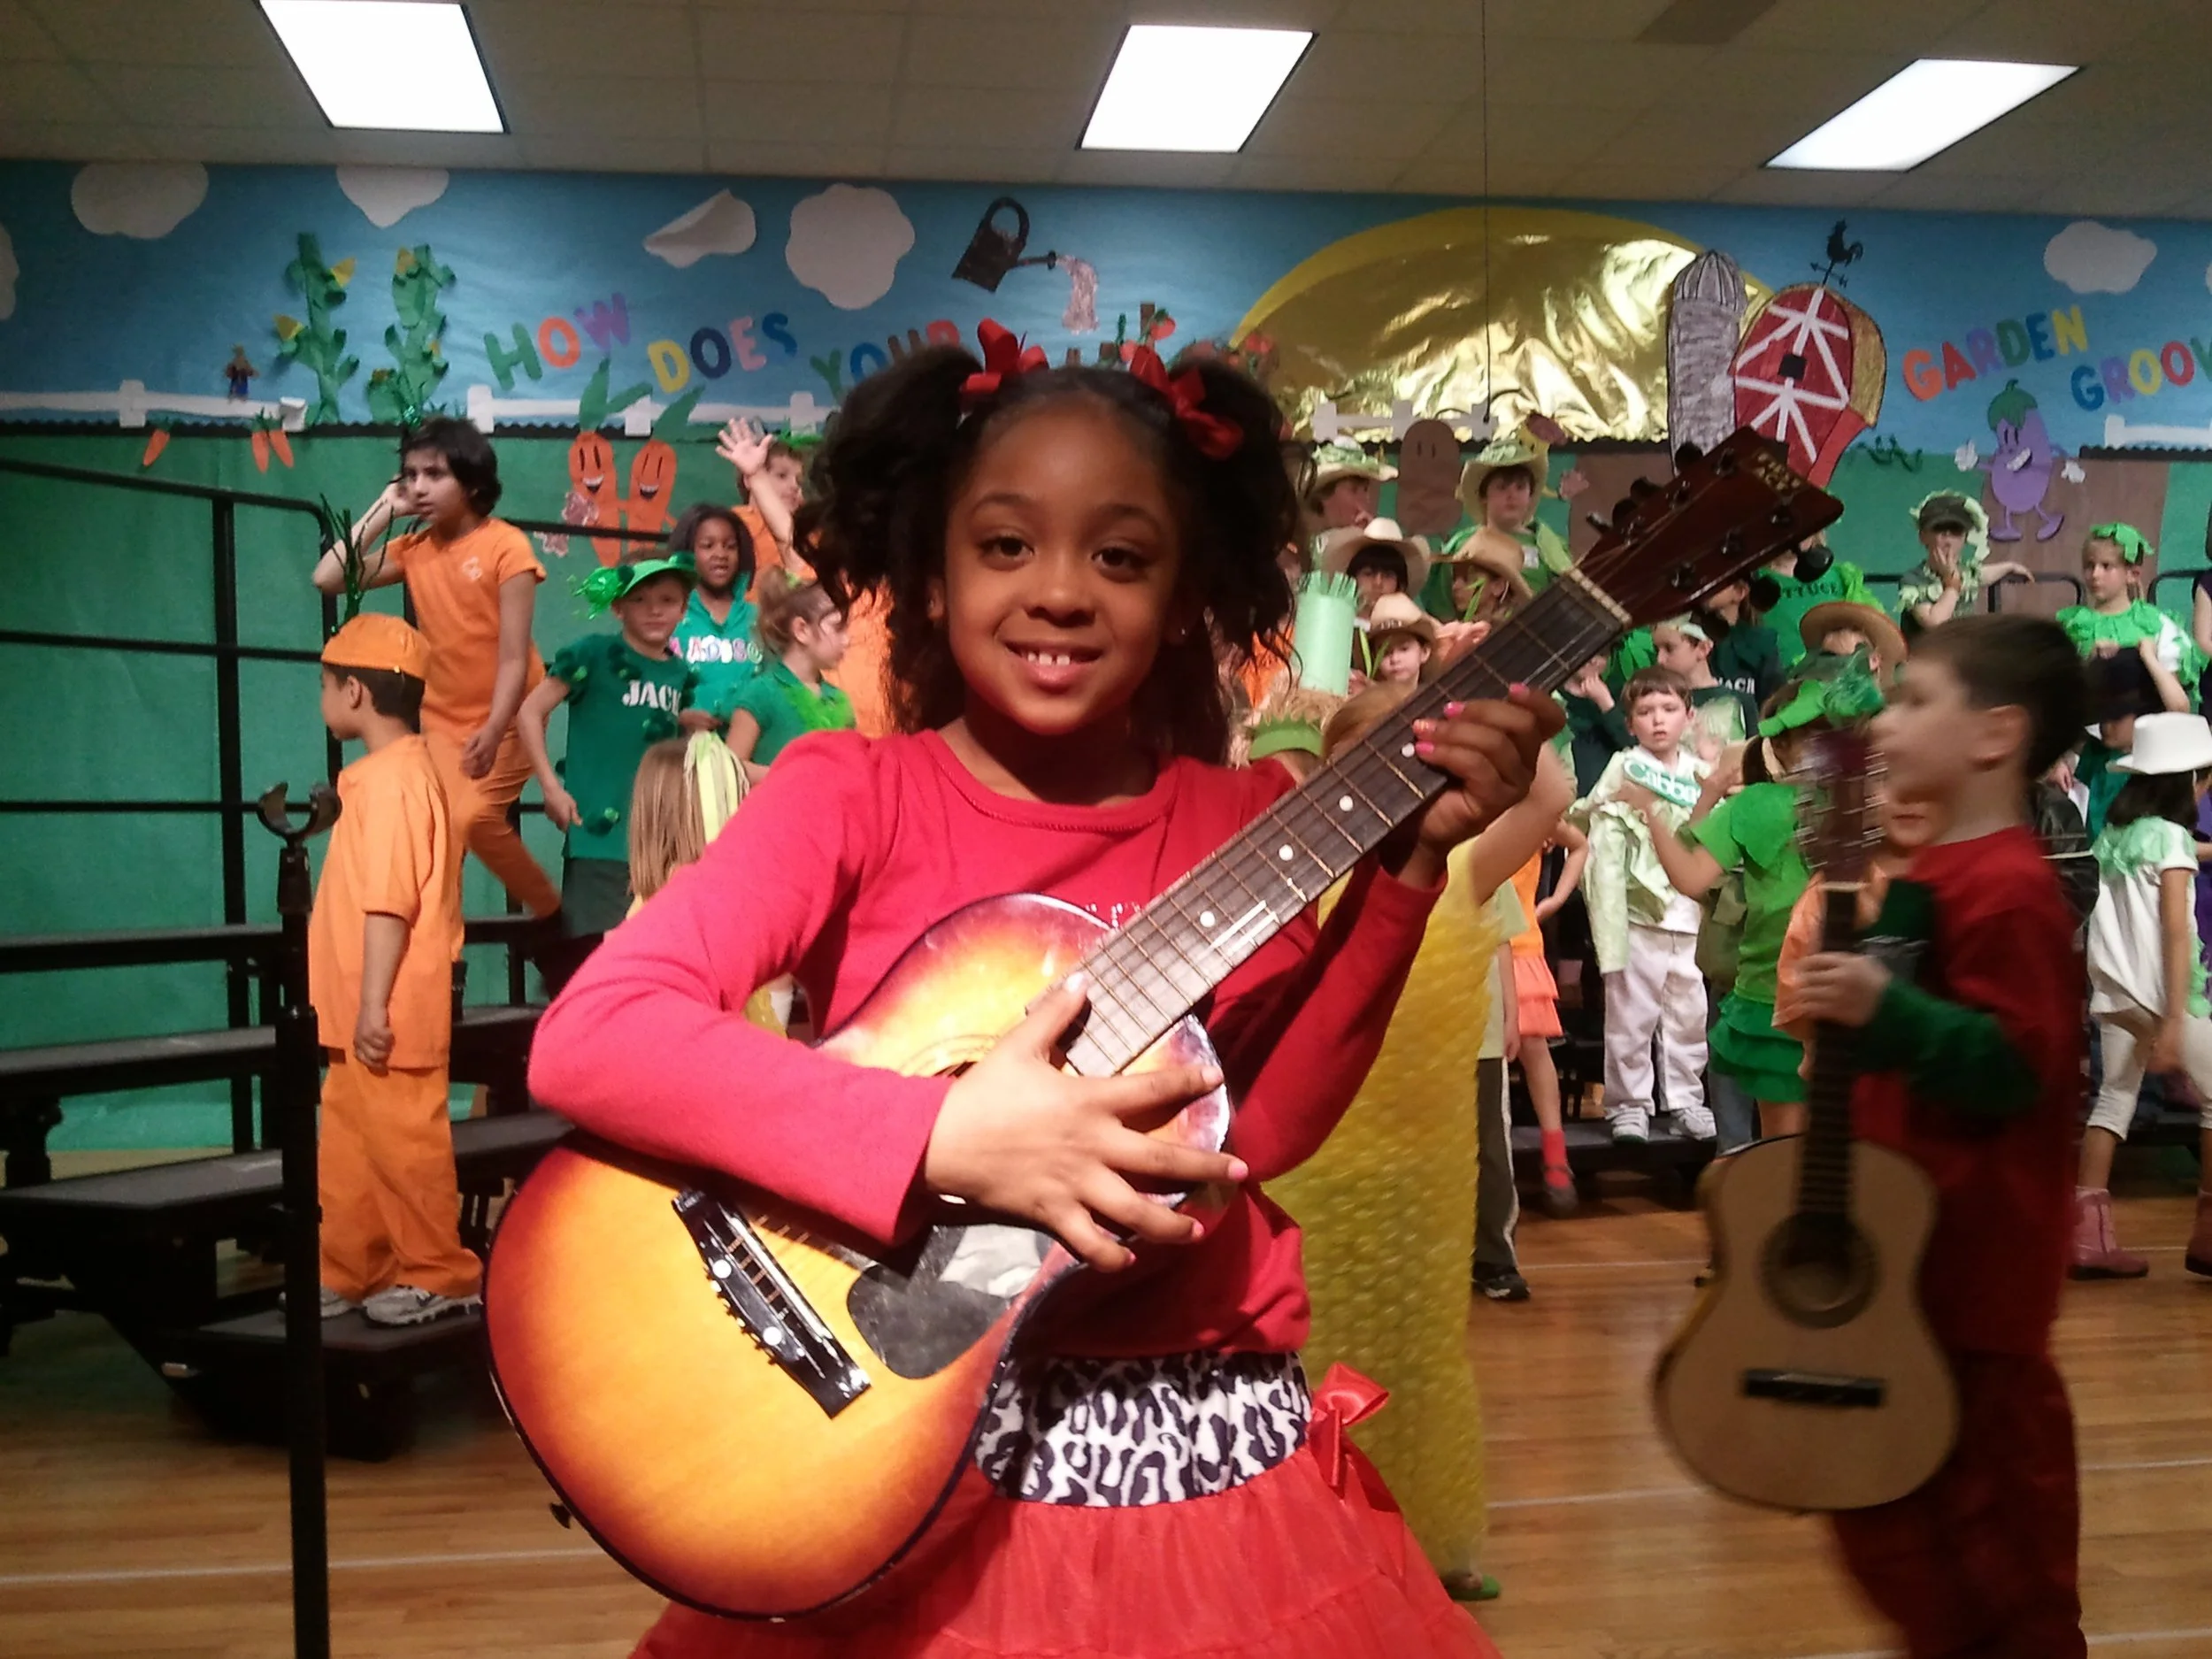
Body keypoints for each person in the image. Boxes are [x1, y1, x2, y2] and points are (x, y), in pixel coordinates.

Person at [527, 334, 1560, 1659]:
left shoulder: (1243, 824)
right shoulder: (854, 792)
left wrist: (1410, 867)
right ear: (934, 573)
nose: (1061, 591)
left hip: (1197, 1445)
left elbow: (1261, 1135)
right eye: (1006, 545)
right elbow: (595, 1034)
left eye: (1120, 556)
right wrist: (937, 1137)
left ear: (1188, 590)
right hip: (894, 1437)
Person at [1790, 614, 2090, 1659]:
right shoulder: (1934, 872)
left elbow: (2022, 1063)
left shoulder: (2008, 887)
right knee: (1896, 1536)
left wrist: (1886, 1009)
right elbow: (1892, 1029)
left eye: (1915, 698)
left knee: (2001, 1571)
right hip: (1903, 1277)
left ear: (1994, 734)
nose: (1886, 716)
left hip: (1975, 1291)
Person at [1273, 687, 1571, 1601]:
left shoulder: (1469, 858)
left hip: (1426, 1160)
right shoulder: (1296, 870)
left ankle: (1430, 1537)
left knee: (1420, 1348)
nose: (1393, 778)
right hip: (1313, 1155)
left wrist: (1503, 703)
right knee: (1310, 1351)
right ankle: (1304, 1540)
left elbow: (1550, 796)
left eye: (1412, 756)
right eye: (1367, 760)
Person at [311, 419, 559, 919]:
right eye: (410, 475)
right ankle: (443, 961)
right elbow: (328, 577)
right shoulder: (415, 550)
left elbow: (514, 657)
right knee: (438, 837)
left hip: (509, 715)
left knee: (468, 817)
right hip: (443, 719)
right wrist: (386, 507)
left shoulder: (505, 546)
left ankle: (553, 917)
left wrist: (493, 730)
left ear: (470, 482)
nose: (418, 486)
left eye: (434, 474)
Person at [309, 614, 479, 1327]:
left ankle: (441, 1274)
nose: (322, 697)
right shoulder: (386, 776)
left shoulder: (396, 784)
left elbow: (389, 904)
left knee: (407, 1148)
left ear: (353, 692)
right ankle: (354, 1269)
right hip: (357, 1011)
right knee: (349, 1148)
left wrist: (374, 1005)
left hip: (388, 1009)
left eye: (325, 683)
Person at [2077, 711, 2212, 1279]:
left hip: (2115, 991)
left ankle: (2086, 1238)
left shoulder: (2116, 833)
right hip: (2165, 996)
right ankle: (2208, 1236)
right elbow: (2176, 929)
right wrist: (2176, 1024)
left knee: (2114, 1101)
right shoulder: (2175, 837)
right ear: (2186, 780)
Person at [515, 553, 697, 949]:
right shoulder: (592, 654)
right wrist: (550, 788)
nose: (654, 610)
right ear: (617, 605)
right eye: (639, 600)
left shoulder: (681, 675)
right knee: (595, 953)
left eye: (667, 600)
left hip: (659, 841)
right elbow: (530, 712)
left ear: (684, 608)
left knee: (653, 952)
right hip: (599, 837)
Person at [1568, 665, 1714, 1145]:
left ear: (1689, 716)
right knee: (1632, 1014)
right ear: (1630, 723)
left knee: (1688, 1013)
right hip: (1637, 911)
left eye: (1669, 709)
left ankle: (1686, 1100)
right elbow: (1599, 830)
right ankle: (1628, 1105)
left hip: (1688, 911)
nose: (1658, 720)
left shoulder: (1701, 772)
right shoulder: (1625, 766)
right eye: (1646, 712)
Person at [1510, 824, 1586, 1214]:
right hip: (1472, 943)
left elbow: (1580, 844)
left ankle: (1556, 1157)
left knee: (1534, 1048)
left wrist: (1555, 899)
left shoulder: (1533, 813)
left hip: (1520, 944)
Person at [2056, 522, 2202, 703]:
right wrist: (2089, 662)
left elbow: (2179, 706)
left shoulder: (2155, 624)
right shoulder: (2072, 625)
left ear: (2132, 574)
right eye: (2089, 566)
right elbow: (2060, 701)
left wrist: (2149, 658)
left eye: (2106, 566)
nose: (2095, 574)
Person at [726, 578, 856, 780]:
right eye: (838, 628)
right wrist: (793, 779)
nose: (847, 641)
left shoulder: (838, 700)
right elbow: (729, 768)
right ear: (801, 630)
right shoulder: (760, 694)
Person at [667, 503, 759, 732]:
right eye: (708, 546)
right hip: (682, 754)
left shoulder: (759, 619)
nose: (721, 554)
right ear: (686, 553)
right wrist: (677, 717)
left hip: (748, 757)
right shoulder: (667, 617)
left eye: (730, 546)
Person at [1455, 424, 1571, 594]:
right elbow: (1443, 610)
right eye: (1502, 487)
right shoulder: (1461, 544)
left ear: (1530, 495)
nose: (1512, 495)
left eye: (1520, 487)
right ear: (1483, 496)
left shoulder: (1551, 545)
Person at [1897, 492, 2026, 637]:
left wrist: (2010, 566)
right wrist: (1952, 584)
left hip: (1961, 649)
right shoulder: (1914, 580)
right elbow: (1935, 623)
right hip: (1926, 654)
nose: (1948, 541)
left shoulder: (1965, 572)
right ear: (1923, 536)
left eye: (1955, 532)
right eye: (1940, 531)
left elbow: (1980, 575)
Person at [1756, 531, 1885, 672]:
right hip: (1779, 682)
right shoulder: (1751, 582)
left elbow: (1874, 632)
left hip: (1837, 681)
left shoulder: (1842, 576)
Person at [1650, 616, 1759, 756]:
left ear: (1703, 648)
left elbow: (1755, 758)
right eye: (1656, 649)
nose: (1660, 659)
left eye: (1669, 648)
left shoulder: (1740, 701)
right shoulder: (1657, 702)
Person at [1318, 517, 1432, 618]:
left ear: (1401, 586)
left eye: (1388, 575)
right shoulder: (1335, 626)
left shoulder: (1411, 634)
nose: (1378, 583)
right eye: (1368, 573)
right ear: (1351, 579)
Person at [1701, 581, 1784, 704]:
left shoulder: (1763, 644)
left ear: (1739, 592)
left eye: (1718, 581)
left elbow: (1774, 702)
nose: (1704, 584)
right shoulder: (1685, 640)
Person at [1307, 442, 1394, 532]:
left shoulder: (1369, 538)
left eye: (1365, 490)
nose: (1365, 499)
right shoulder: (1302, 541)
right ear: (1324, 494)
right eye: (1354, 490)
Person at [1364, 592, 1437, 687]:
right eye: (1385, 653)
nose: (1395, 659)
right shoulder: (1369, 700)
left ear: (1424, 652)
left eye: (1404, 649)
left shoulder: (1438, 695)